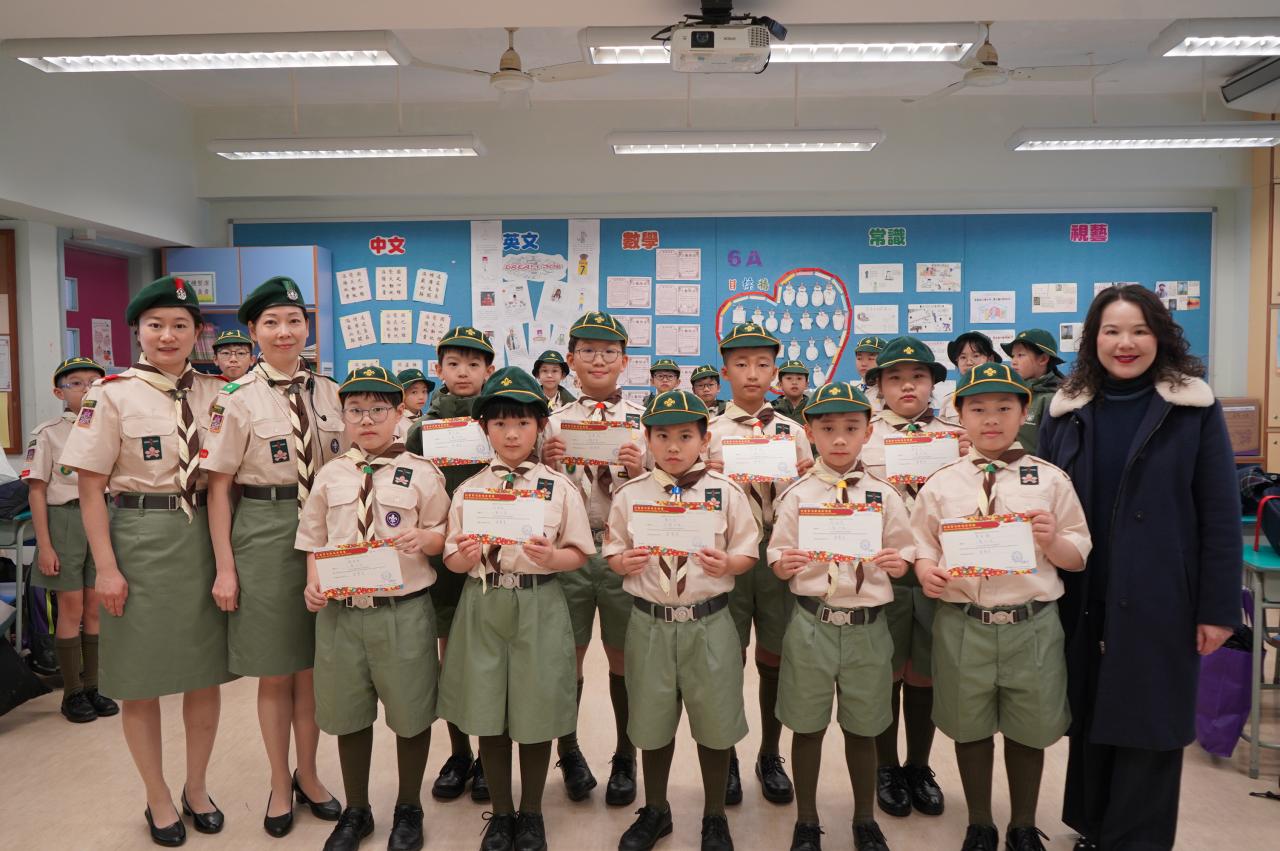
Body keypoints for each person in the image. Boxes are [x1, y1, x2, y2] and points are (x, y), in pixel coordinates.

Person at [1038, 285, 1241, 850]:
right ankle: (1095, 826)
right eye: (1112, 331)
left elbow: (1220, 514)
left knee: (1149, 718)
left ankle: (1137, 839)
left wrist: (1218, 609)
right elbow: (1040, 495)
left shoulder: (1191, 409)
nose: (1124, 343)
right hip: (1082, 588)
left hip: (1161, 593)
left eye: (1139, 331)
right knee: (1091, 713)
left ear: (1161, 337)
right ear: (1093, 340)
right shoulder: (1067, 410)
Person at [60, 275, 232, 846]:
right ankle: (157, 797)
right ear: (138, 330)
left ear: (198, 333)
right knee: (140, 681)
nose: (167, 335)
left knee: (204, 677)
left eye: (180, 325)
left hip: (203, 537)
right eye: (156, 324)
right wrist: (106, 568)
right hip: (137, 537)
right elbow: (90, 489)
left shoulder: (217, 394)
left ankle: (197, 788)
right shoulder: (111, 395)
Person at [912, 363, 1090, 851]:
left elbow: (1077, 555)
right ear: (960, 415)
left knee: (1029, 727)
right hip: (962, 622)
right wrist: (925, 571)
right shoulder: (942, 483)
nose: (991, 419)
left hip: (1030, 624)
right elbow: (921, 544)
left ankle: (1023, 824)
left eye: (1004, 408)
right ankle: (980, 822)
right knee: (968, 724)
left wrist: (1053, 541)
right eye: (978, 409)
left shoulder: (1050, 480)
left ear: (1024, 412)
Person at [200, 276, 346, 838]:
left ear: (307, 327)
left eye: (293, 321)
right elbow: (219, 489)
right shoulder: (235, 399)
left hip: (329, 531)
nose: (284, 332)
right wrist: (225, 567)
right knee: (276, 669)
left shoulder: (332, 392)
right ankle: (279, 782)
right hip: (265, 531)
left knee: (313, 668)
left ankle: (309, 774)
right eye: (271, 323)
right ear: (253, 331)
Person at [439, 367, 593, 851]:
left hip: (539, 601)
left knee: (535, 709)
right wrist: (463, 556)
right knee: (487, 708)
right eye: (500, 423)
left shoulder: (558, 487)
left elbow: (579, 552)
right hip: (483, 602)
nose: (511, 433)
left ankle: (531, 812)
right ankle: (502, 813)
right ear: (484, 427)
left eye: (523, 423)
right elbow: (450, 555)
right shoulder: (468, 489)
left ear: (540, 427)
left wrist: (553, 558)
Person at [297, 365, 450, 851]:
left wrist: (426, 538)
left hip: (403, 611)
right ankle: (357, 809)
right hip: (342, 615)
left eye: (378, 409)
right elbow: (314, 540)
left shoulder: (422, 472)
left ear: (399, 412)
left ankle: (409, 807)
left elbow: (443, 533)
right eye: (355, 410)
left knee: (411, 712)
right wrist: (313, 584)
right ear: (342, 416)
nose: (366, 420)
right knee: (348, 713)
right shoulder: (330, 474)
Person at [605, 389, 758, 851]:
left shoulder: (726, 493)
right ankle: (656, 809)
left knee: (715, 722)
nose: (673, 446)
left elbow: (747, 551)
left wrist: (729, 564)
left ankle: (714, 814)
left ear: (704, 439)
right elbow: (613, 550)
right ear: (647, 439)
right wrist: (622, 563)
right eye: (663, 436)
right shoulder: (630, 495)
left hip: (709, 623)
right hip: (649, 622)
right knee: (652, 721)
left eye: (685, 436)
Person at [770, 382, 911, 851]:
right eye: (827, 428)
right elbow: (778, 551)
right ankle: (807, 820)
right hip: (813, 623)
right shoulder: (796, 495)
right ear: (809, 432)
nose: (839, 439)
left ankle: (864, 818)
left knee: (864, 727)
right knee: (807, 724)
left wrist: (899, 563)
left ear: (868, 432)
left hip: (868, 627)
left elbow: (904, 549)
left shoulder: (885, 495)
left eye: (851, 428)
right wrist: (783, 564)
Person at [542, 311, 648, 806]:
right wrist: (546, 464)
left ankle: (626, 755)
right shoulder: (552, 422)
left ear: (624, 361)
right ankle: (569, 750)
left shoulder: (643, 421)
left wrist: (642, 469)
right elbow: (534, 491)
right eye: (587, 351)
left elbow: (667, 489)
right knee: (570, 654)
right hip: (571, 550)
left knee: (625, 656)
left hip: (624, 550)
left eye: (609, 352)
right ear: (571, 360)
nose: (598, 359)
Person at [706, 322, 815, 806]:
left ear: (775, 371)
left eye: (762, 364)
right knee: (726, 657)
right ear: (725, 371)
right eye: (741, 364)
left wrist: (806, 478)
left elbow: (811, 498)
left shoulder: (794, 432)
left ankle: (770, 754)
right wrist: (705, 475)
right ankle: (726, 754)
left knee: (775, 654)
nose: (752, 373)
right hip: (726, 551)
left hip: (777, 554)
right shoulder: (707, 432)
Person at [859, 336, 963, 822]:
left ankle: (918, 766)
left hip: (939, 570)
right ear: (879, 386)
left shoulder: (956, 436)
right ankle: (885, 767)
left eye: (918, 377)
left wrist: (971, 456)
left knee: (925, 671)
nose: (907, 386)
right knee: (884, 670)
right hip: (883, 568)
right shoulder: (863, 436)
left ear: (933, 384)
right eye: (895, 378)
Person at [407, 326, 496, 804]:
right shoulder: (422, 430)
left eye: (473, 364)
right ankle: (459, 752)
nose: (463, 372)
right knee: (449, 654)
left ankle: (487, 756)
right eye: (454, 364)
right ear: (438, 368)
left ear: (488, 369)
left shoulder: (499, 419)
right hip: (444, 554)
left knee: (486, 654)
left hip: (492, 552)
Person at [23, 356, 117, 723]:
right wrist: (45, 546)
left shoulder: (109, 428)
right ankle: (72, 692)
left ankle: (94, 685)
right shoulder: (47, 433)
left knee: (97, 606)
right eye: (76, 383)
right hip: (64, 521)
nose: (87, 389)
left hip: (103, 518)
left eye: (94, 382)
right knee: (72, 608)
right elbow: (36, 492)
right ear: (59, 392)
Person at [1001, 329, 1064, 454]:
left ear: (1043, 359)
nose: (1013, 362)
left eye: (1020, 355)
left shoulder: (1054, 399)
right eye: (1013, 356)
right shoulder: (1014, 393)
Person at [939, 332, 1002, 421]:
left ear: (990, 359)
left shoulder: (1004, 396)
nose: (969, 362)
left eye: (976, 356)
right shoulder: (949, 401)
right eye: (963, 357)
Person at [394, 368, 435, 442]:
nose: (421, 397)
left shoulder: (428, 420)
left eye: (424, 391)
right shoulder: (395, 421)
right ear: (401, 394)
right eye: (414, 392)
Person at [852, 337, 887, 413]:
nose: (864, 364)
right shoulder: (852, 392)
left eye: (871, 359)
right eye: (859, 358)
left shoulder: (891, 392)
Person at [771, 360, 811, 424]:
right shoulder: (770, 409)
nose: (794, 382)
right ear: (780, 385)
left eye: (799, 378)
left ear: (806, 385)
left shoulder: (814, 409)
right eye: (789, 378)